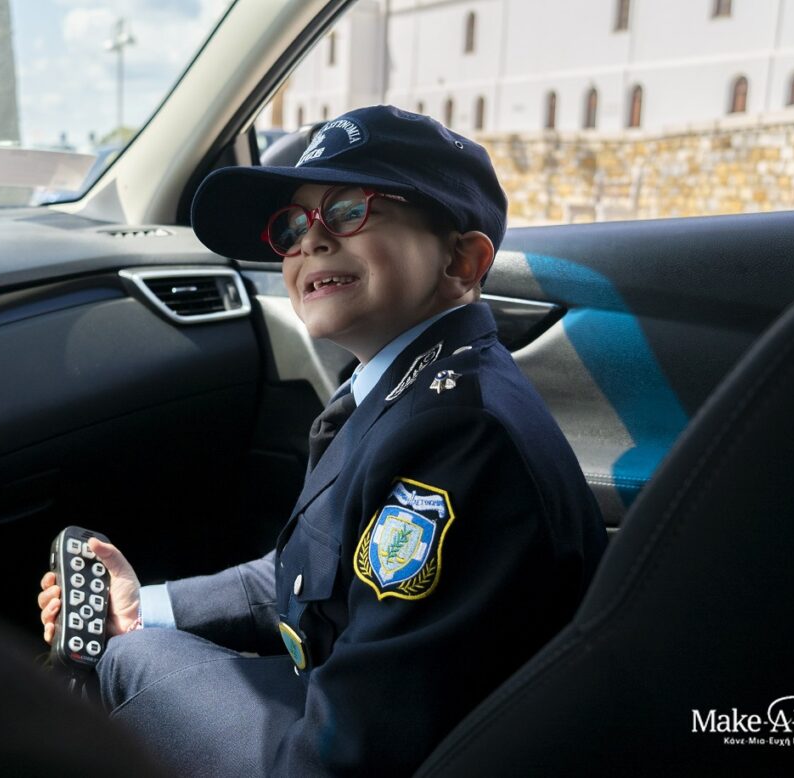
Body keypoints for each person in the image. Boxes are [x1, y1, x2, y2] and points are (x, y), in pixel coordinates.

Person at [38, 105, 608, 775]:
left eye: (347, 212)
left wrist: (129, 646)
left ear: (462, 258)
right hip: (370, 712)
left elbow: (354, 752)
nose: (310, 241)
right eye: (291, 226)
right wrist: (147, 607)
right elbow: (308, 572)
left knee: (127, 662)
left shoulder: (457, 439)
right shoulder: (401, 389)